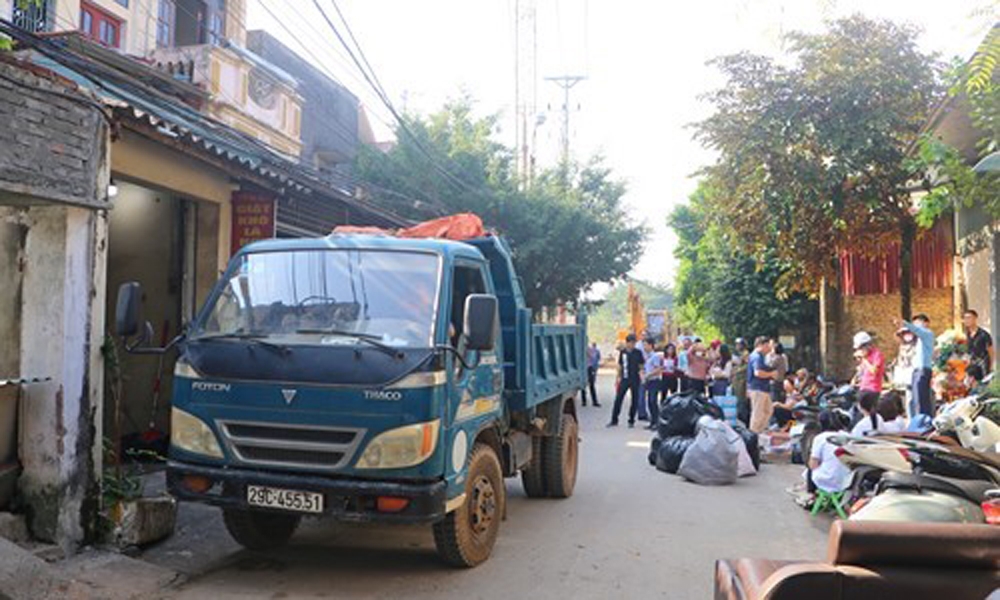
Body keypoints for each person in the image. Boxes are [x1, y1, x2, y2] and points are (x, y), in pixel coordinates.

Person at [798, 409, 852, 509]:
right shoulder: (848, 436)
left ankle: (812, 495)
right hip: (848, 480)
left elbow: (813, 464)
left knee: (810, 469)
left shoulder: (820, 438)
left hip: (828, 479)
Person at [895, 314, 936, 418]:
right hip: (916, 370)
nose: (915, 326)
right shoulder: (917, 339)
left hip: (922, 369)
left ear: (926, 323)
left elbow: (917, 330)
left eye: (918, 323)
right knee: (917, 398)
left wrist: (904, 322)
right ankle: (919, 420)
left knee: (920, 399)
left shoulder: (927, 333)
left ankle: (922, 421)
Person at [608, 334, 644, 428]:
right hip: (625, 378)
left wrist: (642, 376)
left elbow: (641, 366)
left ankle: (631, 420)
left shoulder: (638, 352)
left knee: (634, 400)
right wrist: (618, 378)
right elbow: (620, 366)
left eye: (634, 343)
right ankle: (614, 419)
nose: (633, 344)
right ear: (627, 343)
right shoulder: (623, 353)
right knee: (618, 399)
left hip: (635, 379)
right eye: (631, 343)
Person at [747, 337, 776, 433]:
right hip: (758, 388)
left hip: (763, 389)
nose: (769, 348)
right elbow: (758, 373)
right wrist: (771, 374)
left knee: (768, 411)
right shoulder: (757, 356)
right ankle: (754, 434)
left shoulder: (761, 356)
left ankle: (761, 431)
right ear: (761, 345)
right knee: (758, 414)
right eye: (767, 345)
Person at [963, 309, 994, 382]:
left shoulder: (984, 334)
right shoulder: (968, 334)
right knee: (970, 385)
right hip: (972, 364)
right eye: (965, 318)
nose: (966, 320)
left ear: (975, 318)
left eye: (969, 318)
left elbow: (991, 351)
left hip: (983, 365)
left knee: (983, 386)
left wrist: (990, 366)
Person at [641, 338, 664, 430]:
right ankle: (653, 422)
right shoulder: (647, 357)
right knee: (649, 402)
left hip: (654, 381)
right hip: (649, 381)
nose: (644, 347)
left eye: (646, 345)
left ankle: (657, 422)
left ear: (651, 345)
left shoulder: (655, 356)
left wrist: (648, 375)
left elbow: (658, 369)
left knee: (653, 401)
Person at [731, 338, 750, 425]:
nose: (737, 346)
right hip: (737, 382)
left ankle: (744, 422)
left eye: (738, 344)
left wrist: (737, 370)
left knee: (741, 403)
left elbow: (747, 366)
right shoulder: (741, 354)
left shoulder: (746, 354)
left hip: (742, 383)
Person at [583, 342, 601, 407]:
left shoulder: (589, 349)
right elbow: (593, 358)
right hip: (586, 368)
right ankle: (586, 401)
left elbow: (594, 358)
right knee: (586, 385)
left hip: (588, 367)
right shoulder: (587, 349)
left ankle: (591, 401)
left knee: (590, 385)